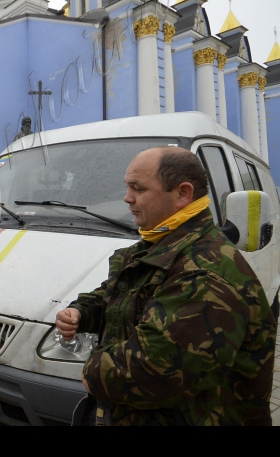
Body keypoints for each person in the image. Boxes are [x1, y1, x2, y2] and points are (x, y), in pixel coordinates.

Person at [56, 147, 276, 426]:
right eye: (127, 187)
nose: (127, 198)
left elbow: (156, 369)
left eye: (138, 188)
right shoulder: (161, 242)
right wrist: (82, 312)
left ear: (182, 194)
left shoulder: (204, 272)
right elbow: (120, 293)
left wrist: (92, 373)